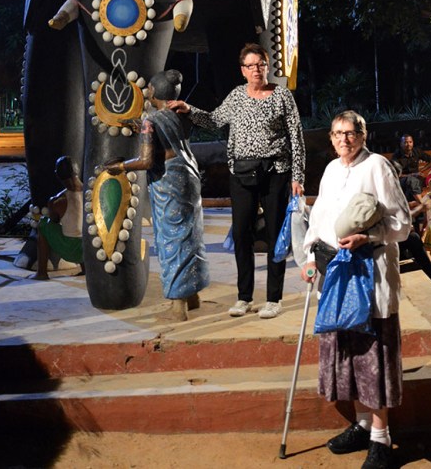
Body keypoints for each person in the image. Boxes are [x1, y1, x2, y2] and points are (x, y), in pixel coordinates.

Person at [301, 110, 411, 469]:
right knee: (347, 349)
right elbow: (319, 218)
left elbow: (402, 223)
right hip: (335, 273)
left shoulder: (377, 166)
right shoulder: (332, 170)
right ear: (331, 139)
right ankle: (363, 425)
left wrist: (370, 236)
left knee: (372, 352)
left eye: (350, 133)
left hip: (369, 271)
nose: (343, 140)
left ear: (363, 136)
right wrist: (310, 255)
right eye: (337, 134)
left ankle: (381, 437)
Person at [169, 43, 305, 320]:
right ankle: (244, 297)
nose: (257, 70)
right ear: (243, 70)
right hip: (242, 174)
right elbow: (214, 120)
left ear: (267, 67)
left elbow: (296, 137)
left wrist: (297, 177)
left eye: (261, 64)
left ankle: (273, 298)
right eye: (251, 65)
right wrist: (188, 109)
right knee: (242, 234)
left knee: (275, 235)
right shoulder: (236, 96)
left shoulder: (282, 96)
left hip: (276, 173)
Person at [104, 69, 209, 323]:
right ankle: (193, 295)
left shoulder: (151, 120)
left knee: (171, 240)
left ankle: (178, 307)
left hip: (168, 182)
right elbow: (166, 136)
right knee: (190, 234)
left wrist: (120, 167)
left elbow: (146, 160)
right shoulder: (180, 114)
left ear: (153, 91)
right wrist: (135, 124)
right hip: (188, 174)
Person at [34, 156, 84, 280]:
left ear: (57, 175)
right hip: (90, 248)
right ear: (77, 171)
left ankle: (41, 273)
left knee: (43, 224)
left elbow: (54, 221)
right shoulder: (92, 192)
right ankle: (85, 269)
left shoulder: (57, 201)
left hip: (71, 251)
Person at [391, 133, 431, 205]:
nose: (408, 144)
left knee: (412, 187)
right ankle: (422, 204)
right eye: (405, 142)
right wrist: (413, 174)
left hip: (416, 181)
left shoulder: (416, 151)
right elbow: (397, 175)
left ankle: (413, 206)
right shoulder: (396, 156)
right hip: (403, 181)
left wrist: (421, 170)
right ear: (401, 144)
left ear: (413, 143)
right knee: (411, 180)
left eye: (410, 142)